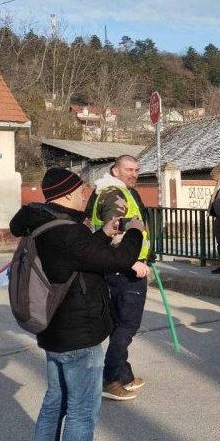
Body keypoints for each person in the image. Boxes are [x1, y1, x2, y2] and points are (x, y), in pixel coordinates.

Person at [11, 168, 146, 441]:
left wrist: (101, 233)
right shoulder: (67, 232)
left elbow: (81, 259)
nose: (86, 195)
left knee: (54, 402)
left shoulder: (43, 224)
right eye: (81, 190)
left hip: (54, 329)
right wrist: (134, 232)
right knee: (82, 410)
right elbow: (117, 259)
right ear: (68, 194)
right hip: (78, 333)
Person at [89, 155, 154, 402]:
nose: (134, 173)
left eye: (137, 169)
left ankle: (124, 375)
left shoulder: (112, 191)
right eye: (128, 169)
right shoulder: (114, 194)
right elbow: (113, 230)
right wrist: (132, 261)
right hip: (126, 270)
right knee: (127, 326)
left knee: (119, 325)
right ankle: (110, 379)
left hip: (120, 267)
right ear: (115, 171)